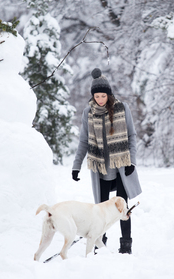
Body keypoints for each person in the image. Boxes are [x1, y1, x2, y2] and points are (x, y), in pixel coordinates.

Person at [72, 68, 142, 254]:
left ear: (109, 95)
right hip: (101, 170)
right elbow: (83, 142)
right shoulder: (88, 113)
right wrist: (76, 167)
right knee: (100, 213)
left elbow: (132, 136)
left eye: (103, 96)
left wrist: (131, 162)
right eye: (97, 96)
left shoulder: (122, 108)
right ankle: (100, 247)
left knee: (122, 209)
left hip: (121, 168)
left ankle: (125, 246)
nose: (100, 99)